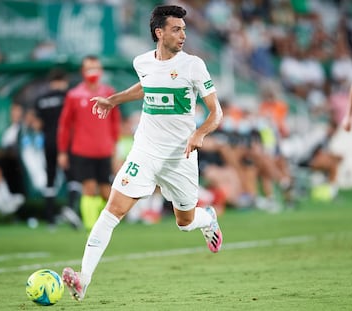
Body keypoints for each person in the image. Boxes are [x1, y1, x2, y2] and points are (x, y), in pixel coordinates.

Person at [62, 5, 224, 301]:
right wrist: (114, 100)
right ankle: (84, 278)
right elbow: (146, 86)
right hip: (145, 151)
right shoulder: (142, 62)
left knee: (184, 222)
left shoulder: (194, 66)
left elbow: (217, 112)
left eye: (184, 29)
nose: (183, 35)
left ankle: (207, 218)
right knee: (112, 211)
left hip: (180, 157)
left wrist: (199, 133)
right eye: (177, 29)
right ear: (159, 33)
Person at [57, 55, 121, 230]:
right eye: (89, 69)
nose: (93, 72)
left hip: (104, 150)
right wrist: (62, 151)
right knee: (89, 188)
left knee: (106, 192)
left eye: (96, 68)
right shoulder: (74, 95)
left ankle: (102, 223)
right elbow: (64, 125)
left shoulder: (109, 92)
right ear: (82, 72)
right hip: (82, 150)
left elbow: (115, 122)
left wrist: (115, 147)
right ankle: (91, 228)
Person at [33, 67, 82, 228]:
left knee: (50, 179)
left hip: (48, 142)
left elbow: (37, 124)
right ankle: (70, 209)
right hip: (66, 142)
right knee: (73, 177)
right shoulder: (69, 97)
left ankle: (50, 220)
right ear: (64, 81)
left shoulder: (41, 99)